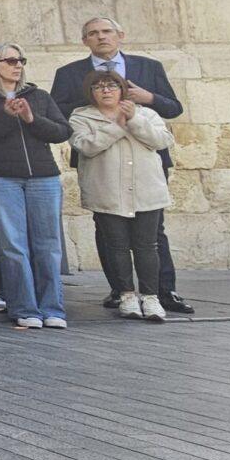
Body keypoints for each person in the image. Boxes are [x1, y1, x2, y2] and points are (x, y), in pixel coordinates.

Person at [51, 17, 191, 315]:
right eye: (93, 33)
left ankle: (163, 292)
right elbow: (56, 112)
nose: (101, 37)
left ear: (120, 35)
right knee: (108, 230)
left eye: (107, 32)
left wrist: (147, 97)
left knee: (153, 231)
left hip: (145, 160)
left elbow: (173, 108)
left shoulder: (148, 67)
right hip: (101, 161)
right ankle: (120, 289)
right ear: (85, 40)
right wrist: (98, 101)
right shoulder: (69, 73)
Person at [0, 42, 72, 331]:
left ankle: (52, 308)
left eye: (20, 59)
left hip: (43, 177)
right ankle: (24, 307)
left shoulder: (39, 96)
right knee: (13, 246)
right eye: (8, 60)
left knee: (49, 246)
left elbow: (61, 132)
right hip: (0, 178)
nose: (17, 64)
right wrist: (7, 118)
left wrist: (31, 118)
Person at [68, 69, 175, 322]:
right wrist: (116, 127)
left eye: (112, 86)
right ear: (91, 92)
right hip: (107, 190)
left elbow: (161, 140)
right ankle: (126, 295)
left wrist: (134, 119)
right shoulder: (81, 116)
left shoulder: (146, 113)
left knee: (147, 245)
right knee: (116, 245)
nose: (106, 90)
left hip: (145, 189)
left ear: (122, 90)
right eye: (99, 87)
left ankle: (151, 297)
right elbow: (85, 146)